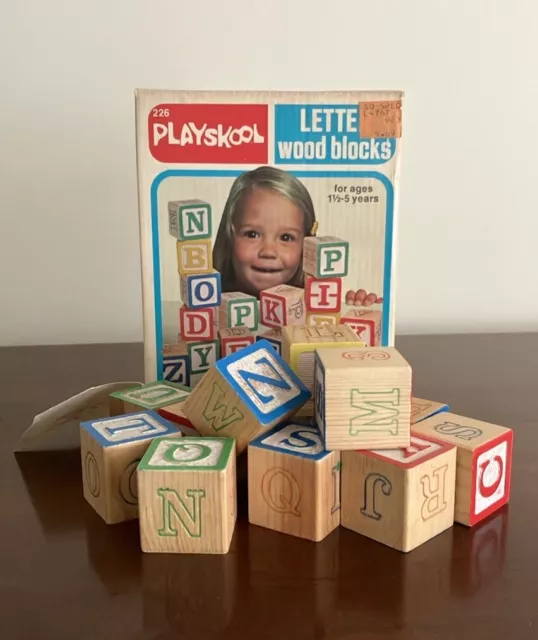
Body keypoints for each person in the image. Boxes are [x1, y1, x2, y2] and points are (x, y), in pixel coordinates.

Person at [212, 165, 382, 306]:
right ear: (229, 236)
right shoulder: (206, 304)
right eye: (252, 234)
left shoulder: (317, 305)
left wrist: (354, 311)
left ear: (308, 245)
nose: (268, 251)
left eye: (286, 237)